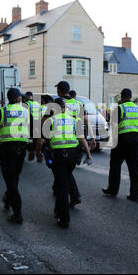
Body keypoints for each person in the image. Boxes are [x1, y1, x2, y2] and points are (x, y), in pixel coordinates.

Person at [36, 97, 92, 228]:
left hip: (59, 156)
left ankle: (64, 219)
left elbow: (40, 141)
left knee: (62, 187)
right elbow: (82, 139)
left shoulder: (50, 121)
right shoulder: (74, 120)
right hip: (73, 156)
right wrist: (88, 155)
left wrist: (37, 152)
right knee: (64, 180)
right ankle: (58, 209)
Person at [0, 88, 29, 224]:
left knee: (11, 181)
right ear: (16, 98)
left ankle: (17, 214)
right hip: (22, 148)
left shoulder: (2, 111)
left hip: (7, 149)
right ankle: (8, 199)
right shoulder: (26, 111)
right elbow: (34, 129)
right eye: (19, 97)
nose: (21, 99)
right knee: (14, 179)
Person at [102, 88, 138, 202]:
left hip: (121, 142)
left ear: (122, 97)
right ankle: (134, 194)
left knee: (115, 166)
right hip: (134, 142)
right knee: (135, 169)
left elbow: (113, 127)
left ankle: (112, 190)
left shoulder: (119, 108)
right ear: (130, 97)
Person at [24, 91, 41, 161]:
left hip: (30, 124)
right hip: (37, 123)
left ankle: (30, 152)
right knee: (35, 140)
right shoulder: (37, 104)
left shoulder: (27, 103)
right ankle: (37, 154)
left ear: (28, 96)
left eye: (26, 96)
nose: (25, 98)